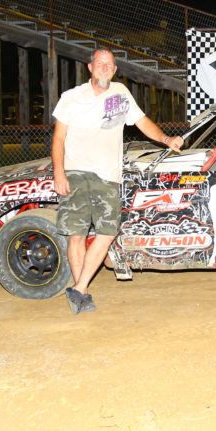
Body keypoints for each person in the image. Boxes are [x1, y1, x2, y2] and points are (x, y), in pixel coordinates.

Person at [51, 48, 183, 315]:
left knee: (108, 232)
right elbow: (58, 138)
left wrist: (167, 139)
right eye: (99, 63)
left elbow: (142, 122)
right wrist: (59, 173)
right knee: (77, 235)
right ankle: (81, 294)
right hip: (76, 172)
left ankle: (79, 288)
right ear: (90, 68)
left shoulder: (121, 93)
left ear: (114, 70)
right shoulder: (71, 97)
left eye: (109, 64)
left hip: (108, 175)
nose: (104, 67)